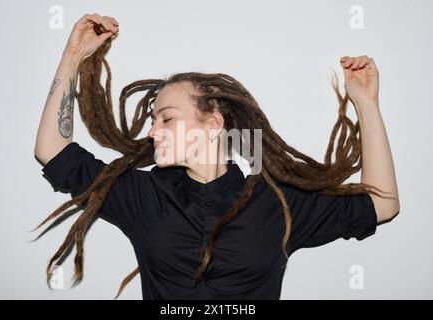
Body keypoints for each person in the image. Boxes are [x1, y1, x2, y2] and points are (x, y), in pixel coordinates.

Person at [33, 13, 400, 299]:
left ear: (212, 125)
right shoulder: (142, 196)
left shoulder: (276, 203)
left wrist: (366, 104)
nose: (151, 131)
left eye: (166, 118)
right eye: (152, 119)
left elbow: (382, 205)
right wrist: (74, 56)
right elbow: (52, 151)